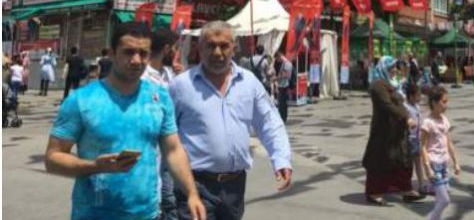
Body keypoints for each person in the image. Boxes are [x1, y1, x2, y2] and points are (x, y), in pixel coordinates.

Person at [44, 21, 205, 220]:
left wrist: (192, 194)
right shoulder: (81, 100)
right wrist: (95, 166)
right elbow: (53, 159)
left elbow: (173, 151)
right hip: (93, 214)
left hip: (148, 214)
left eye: (143, 53)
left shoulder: (160, 98)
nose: (137, 60)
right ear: (111, 53)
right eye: (128, 52)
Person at [169, 21, 292, 220]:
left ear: (234, 48)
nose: (217, 52)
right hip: (194, 184)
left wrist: (281, 159)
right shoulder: (181, 86)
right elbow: (164, 137)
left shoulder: (249, 82)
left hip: (235, 187)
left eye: (224, 46)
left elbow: (270, 122)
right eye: (210, 46)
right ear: (200, 48)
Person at [362, 56, 426, 206]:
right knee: (380, 163)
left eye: (394, 68)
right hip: (383, 131)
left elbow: (399, 103)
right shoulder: (378, 85)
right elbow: (387, 105)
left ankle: (406, 190)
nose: (394, 71)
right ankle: (374, 193)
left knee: (403, 160)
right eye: (391, 68)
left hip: (397, 131)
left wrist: (406, 116)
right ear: (383, 68)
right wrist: (406, 117)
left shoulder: (391, 84)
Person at [143, 27, 179, 220]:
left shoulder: (169, 75)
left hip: (169, 152)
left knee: (170, 202)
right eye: (175, 48)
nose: (177, 52)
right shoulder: (142, 77)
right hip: (147, 157)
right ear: (166, 49)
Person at [420, 86, 460, 220]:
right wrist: (427, 168)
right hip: (433, 164)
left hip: (443, 164)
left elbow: (449, 142)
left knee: (440, 199)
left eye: (446, 101)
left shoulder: (444, 119)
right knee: (445, 200)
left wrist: (456, 163)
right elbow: (422, 146)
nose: (446, 105)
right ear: (434, 103)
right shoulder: (427, 122)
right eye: (443, 101)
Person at [403, 82, 427, 195]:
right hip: (409, 138)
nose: (420, 97)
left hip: (417, 138)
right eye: (418, 95)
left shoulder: (416, 106)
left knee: (418, 161)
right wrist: (408, 122)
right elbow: (404, 119)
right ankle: (406, 186)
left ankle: (421, 184)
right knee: (409, 164)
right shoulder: (405, 106)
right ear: (411, 96)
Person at [274, 50, 293, 122]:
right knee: (281, 104)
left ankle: (283, 118)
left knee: (282, 104)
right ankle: (282, 118)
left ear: (279, 56)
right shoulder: (284, 63)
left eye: (277, 59)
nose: (277, 61)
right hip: (282, 86)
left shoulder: (287, 64)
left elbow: (286, 75)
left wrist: (276, 78)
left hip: (284, 87)